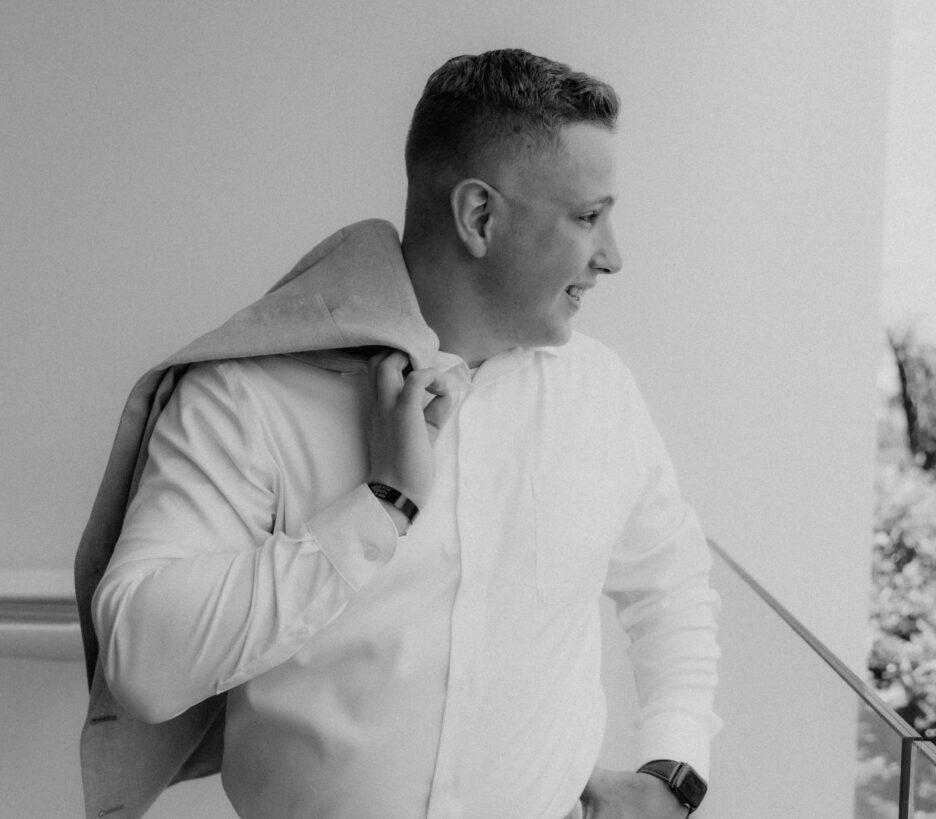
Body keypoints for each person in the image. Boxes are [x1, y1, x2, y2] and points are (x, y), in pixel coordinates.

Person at [76, 48, 721, 819]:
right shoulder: (251, 394)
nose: (613, 256)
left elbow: (672, 585)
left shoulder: (601, 392)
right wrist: (379, 507)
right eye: (587, 217)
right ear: (479, 216)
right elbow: (142, 663)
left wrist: (674, 768)